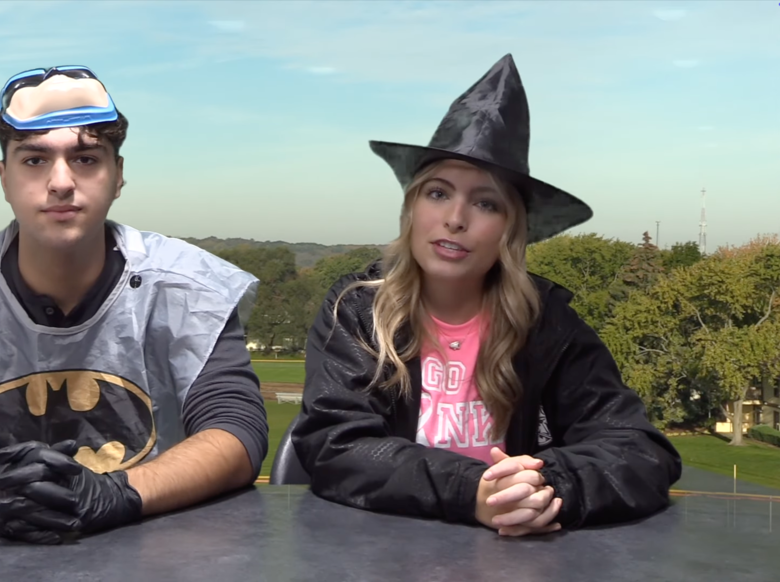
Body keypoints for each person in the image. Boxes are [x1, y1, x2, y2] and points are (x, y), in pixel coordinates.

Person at [0, 65, 269, 544]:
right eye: (35, 160)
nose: (61, 182)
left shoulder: (191, 287)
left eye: (85, 159)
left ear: (118, 175)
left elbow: (237, 429)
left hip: (153, 548)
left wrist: (122, 494)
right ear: (4, 177)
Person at [289, 54, 682, 537]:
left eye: (485, 202)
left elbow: (640, 451)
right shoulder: (357, 311)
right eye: (437, 193)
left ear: (510, 230)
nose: (456, 218)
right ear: (411, 209)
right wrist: (472, 491)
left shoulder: (548, 326)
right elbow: (334, 444)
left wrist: (546, 488)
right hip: (383, 552)